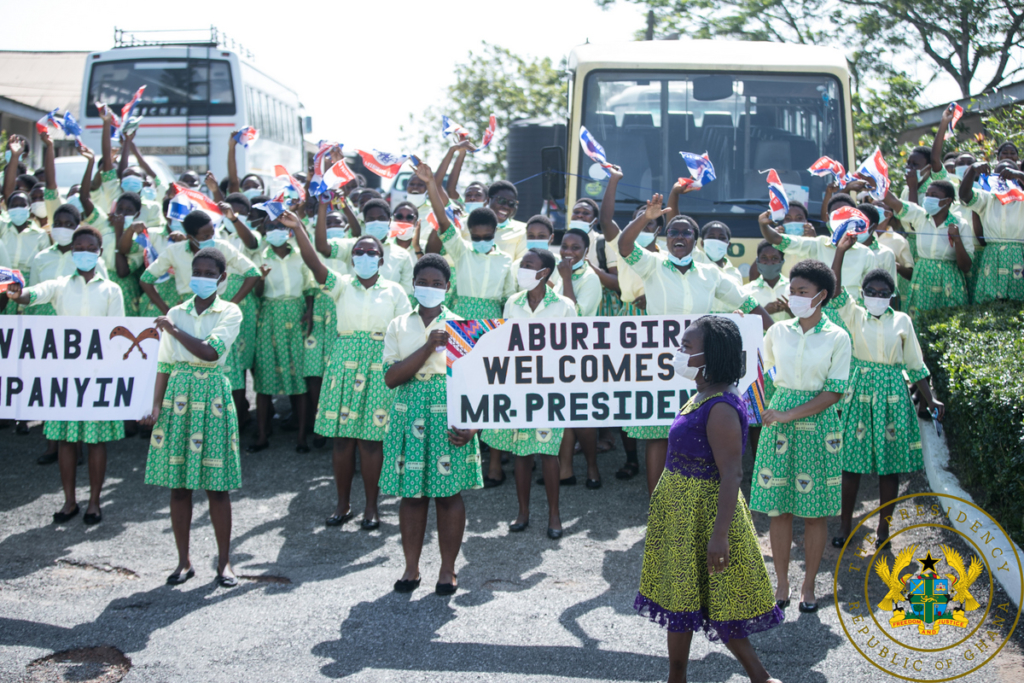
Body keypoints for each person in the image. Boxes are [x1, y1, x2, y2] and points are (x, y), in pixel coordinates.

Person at [635, 315, 783, 683]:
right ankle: (686, 677)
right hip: (683, 517)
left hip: (706, 515)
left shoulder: (720, 406)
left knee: (718, 600)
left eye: (686, 347)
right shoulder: (704, 394)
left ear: (709, 354)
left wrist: (719, 535)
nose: (679, 352)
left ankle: (756, 678)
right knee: (685, 598)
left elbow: (732, 472)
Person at [619, 195, 773, 494]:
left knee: (701, 432)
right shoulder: (652, 265)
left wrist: (778, 332)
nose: (679, 236)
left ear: (695, 240)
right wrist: (644, 217)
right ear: (665, 239)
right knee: (659, 435)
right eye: (673, 232)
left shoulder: (711, 274)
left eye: (686, 232)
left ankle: (701, 504)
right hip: (660, 363)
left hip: (703, 368)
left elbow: (748, 303)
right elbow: (624, 247)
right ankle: (659, 509)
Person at [283, 208, 411, 529]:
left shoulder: (395, 292)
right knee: (342, 440)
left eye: (372, 252)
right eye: (359, 252)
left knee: (371, 441)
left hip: (380, 363)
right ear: (352, 258)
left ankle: (371, 506)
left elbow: (405, 332)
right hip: (344, 362)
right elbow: (315, 262)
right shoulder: (341, 285)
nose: (365, 256)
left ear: (382, 261)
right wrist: (299, 227)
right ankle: (342, 503)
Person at [828, 235, 944, 548]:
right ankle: (844, 525)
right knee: (851, 465)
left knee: (889, 467)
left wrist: (929, 397)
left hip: (893, 395)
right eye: (871, 292)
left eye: (884, 293)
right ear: (863, 294)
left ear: (892, 296)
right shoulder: (853, 314)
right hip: (859, 392)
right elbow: (835, 290)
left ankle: (884, 529)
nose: (877, 296)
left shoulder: (902, 320)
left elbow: (915, 363)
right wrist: (840, 251)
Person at [749, 258, 851, 613]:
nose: (794, 297)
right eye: (792, 291)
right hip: (778, 427)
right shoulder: (778, 331)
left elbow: (834, 392)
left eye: (802, 292)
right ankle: (781, 583)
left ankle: (809, 586)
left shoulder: (838, 337)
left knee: (814, 513)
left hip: (818, 427)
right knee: (779, 511)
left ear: (821, 295)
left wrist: (787, 413)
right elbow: (760, 371)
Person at [4, 227, 125, 524]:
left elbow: (118, 334)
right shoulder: (59, 285)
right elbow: (33, 296)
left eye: (90, 247)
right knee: (66, 441)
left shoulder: (112, 290)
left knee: (96, 442)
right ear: (71, 252)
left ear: (99, 251)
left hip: (97, 376)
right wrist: (17, 293)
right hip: (66, 377)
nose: (84, 251)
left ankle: (94, 502)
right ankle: (69, 501)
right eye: (78, 246)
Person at [140, 247, 244, 587]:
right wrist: (155, 406)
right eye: (196, 271)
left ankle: (224, 562)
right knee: (179, 486)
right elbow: (164, 365)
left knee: (218, 487)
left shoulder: (230, 312)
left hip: (213, 395)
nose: (200, 277)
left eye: (208, 273)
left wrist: (173, 330)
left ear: (222, 279)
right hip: (178, 398)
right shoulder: (176, 311)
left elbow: (211, 352)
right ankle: (183, 561)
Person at [380, 254, 482, 595]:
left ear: (448, 288)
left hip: (450, 414)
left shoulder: (464, 326)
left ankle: (448, 570)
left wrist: (474, 427)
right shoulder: (398, 324)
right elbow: (392, 378)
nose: (429, 288)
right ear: (413, 284)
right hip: (409, 414)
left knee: (449, 495)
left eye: (437, 284)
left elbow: (477, 384)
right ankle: (411, 568)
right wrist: (428, 346)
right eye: (423, 282)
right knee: (412, 496)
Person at [484, 248, 577, 538]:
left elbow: (572, 349)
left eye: (528, 264)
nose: (522, 268)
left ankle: (554, 515)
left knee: (549, 453)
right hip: (518, 386)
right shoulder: (513, 302)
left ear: (544, 272)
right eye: (522, 263)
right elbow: (503, 344)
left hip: (550, 389)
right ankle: (522, 512)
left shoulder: (563, 305)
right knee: (521, 452)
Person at [249, 216, 316, 453]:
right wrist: (261, 278)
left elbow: (309, 286)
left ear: (289, 231)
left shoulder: (300, 255)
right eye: (271, 227)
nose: (276, 230)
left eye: (280, 227)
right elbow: (257, 293)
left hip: (296, 313)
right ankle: (262, 434)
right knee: (265, 374)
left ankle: (301, 437)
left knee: (299, 374)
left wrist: (309, 310)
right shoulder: (259, 256)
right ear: (264, 230)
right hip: (270, 315)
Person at [423, 163, 515, 319]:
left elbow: (509, 299)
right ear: (469, 233)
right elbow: (443, 219)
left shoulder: (505, 260)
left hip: (492, 320)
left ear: (494, 232)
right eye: (476, 237)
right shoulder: (462, 251)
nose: (481, 241)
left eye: (487, 237)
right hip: (461, 318)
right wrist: (430, 182)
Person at [881, 179, 972, 317]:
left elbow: (966, 266)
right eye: (927, 194)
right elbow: (895, 203)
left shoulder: (960, 224)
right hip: (923, 276)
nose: (928, 198)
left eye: (934, 195)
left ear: (947, 201)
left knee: (947, 320)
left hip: (948, 279)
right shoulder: (920, 216)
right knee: (919, 318)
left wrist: (957, 239)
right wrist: (878, 184)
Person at [959, 160, 1024, 303]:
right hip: (992, 256)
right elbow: (964, 196)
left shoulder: (1022, 198)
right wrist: (972, 171)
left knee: (1018, 302)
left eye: (1010, 176)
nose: (1005, 180)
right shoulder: (987, 198)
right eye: (1001, 176)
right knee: (989, 301)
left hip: (1019, 255)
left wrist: (1018, 175)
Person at [695, 221, 743, 312]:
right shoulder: (696, 262)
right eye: (711, 237)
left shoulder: (735, 273)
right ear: (702, 243)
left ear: (728, 245)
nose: (716, 242)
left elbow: (738, 302)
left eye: (721, 238)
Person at [485, 180, 527, 259]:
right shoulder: (470, 225)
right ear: (488, 200)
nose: (506, 206)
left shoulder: (523, 231)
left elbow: (520, 264)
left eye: (511, 203)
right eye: (501, 200)